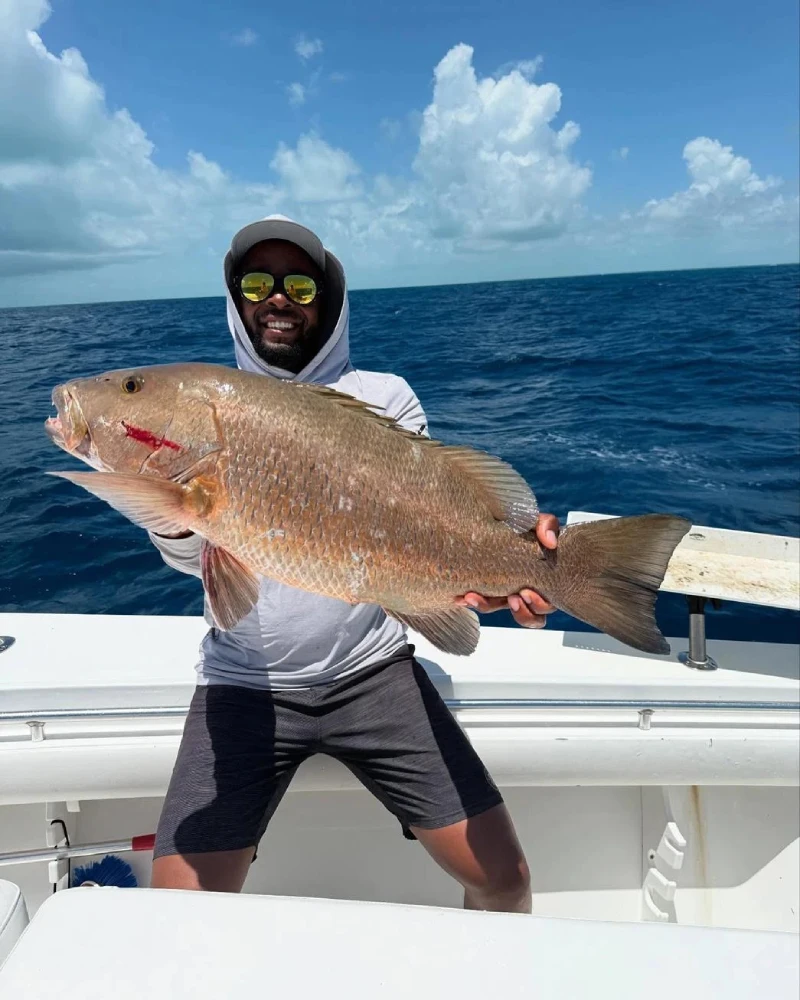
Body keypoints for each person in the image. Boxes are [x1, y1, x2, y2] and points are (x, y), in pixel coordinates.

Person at [148, 215, 560, 913]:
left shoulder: (387, 397)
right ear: (237, 300)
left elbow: (437, 531)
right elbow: (195, 564)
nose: (277, 298)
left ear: (328, 299)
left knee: (506, 878)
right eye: (257, 282)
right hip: (244, 683)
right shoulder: (203, 409)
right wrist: (174, 505)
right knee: (177, 911)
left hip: (373, 673)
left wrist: (492, 574)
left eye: (298, 286)